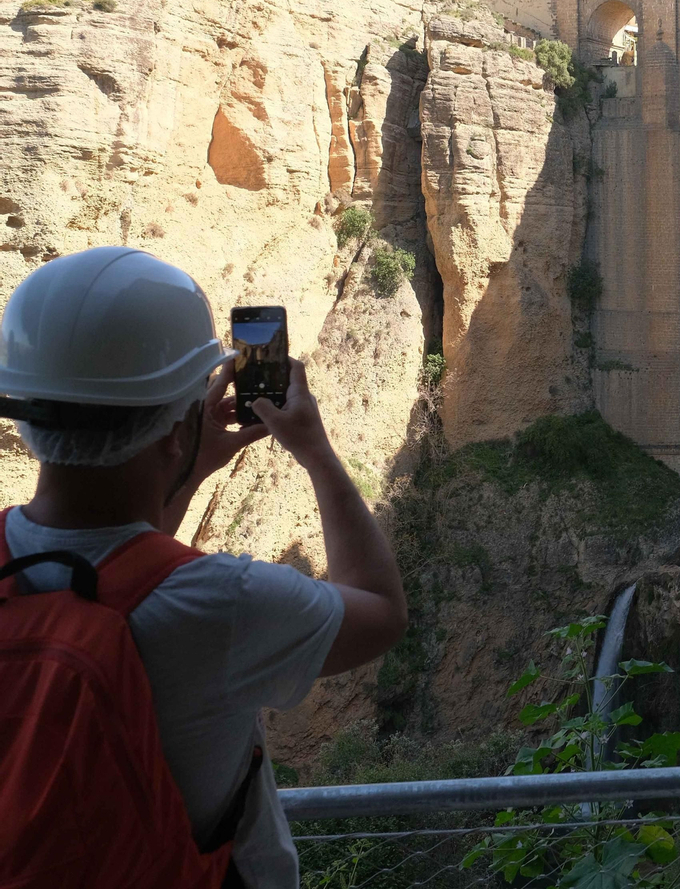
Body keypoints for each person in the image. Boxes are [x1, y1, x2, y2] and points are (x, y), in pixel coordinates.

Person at [0, 248, 408, 887]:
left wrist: (184, 466)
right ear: (173, 429)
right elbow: (380, 610)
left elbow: (107, 582)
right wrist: (317, 453)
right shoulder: (224, 602)